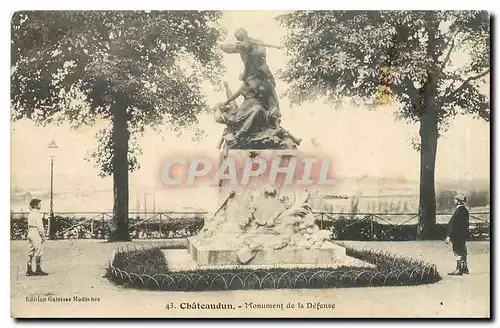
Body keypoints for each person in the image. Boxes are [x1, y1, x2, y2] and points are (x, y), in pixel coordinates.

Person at [445, 194, 470, 276]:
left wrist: (449, 235)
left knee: (457, 251)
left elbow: (454, 225)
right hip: (462, 234)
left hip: (457, 235)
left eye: (455, 199)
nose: (454, 201)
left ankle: (459, 269)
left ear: (459, 201)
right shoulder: (465, 211)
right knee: (463, 250)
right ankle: (464, 268)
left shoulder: (458, 211)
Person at [26, 198, 48, 276]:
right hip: (36, 232)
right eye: (39, 204)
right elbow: (40, 227)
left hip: (30, 232)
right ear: (36, 205)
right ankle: (38, 269)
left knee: (30, 251)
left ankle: (29, 270)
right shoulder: (37, 214)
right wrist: (43, 236)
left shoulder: (30, 213)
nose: (40, 205)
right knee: (38, 251)